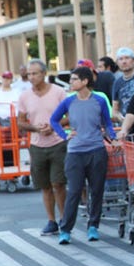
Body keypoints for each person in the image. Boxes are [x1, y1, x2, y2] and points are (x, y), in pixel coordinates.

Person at [50, 66, 116, 245]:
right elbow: (54, 120)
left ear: (85, 81)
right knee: (75, 191)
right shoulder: (68, 101)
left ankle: (93, 226)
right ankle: (65, 229)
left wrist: (114, 137)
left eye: (74, 79)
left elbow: (107, 123)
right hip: (75, 152)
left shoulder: (99, 100)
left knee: (97, 190)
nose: (71, 82)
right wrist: (65, 135)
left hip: (96, 150)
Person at [18, 59, 68, 236]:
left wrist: (53, 125)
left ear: (44, 74)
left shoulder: (58, 92)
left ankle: (64, 219)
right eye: (29, 74)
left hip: (58, 143)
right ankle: (51, 220)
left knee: (59, 183)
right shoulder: (25, 96)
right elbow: (20, 122)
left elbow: (69, 116)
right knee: (44, 185)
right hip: (37, 145)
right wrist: (35, 128)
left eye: (35, 73)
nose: (31, 77)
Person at [111, 47, 134, 123]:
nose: (124, 61)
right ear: (117, 63)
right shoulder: (117, 83)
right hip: (127, 125)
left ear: (133, 60)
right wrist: (120, 117)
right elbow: (115, 110)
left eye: (127, 58)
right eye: (120, 59)